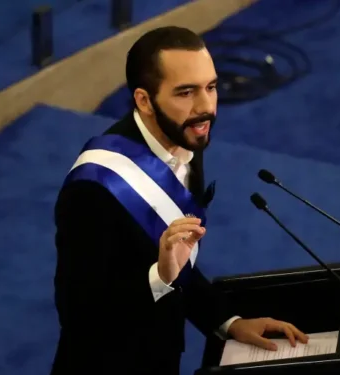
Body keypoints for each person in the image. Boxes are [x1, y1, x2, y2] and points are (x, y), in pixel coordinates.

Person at [50, 26, 308, 375]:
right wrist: (161, 277)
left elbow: (180, 262)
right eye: (185, 92)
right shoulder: (93, 188)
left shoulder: (186, 136)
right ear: (144, 100)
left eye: (211, 87)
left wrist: (228, 322)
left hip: (164, 354)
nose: (206, 107)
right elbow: (78, 313)